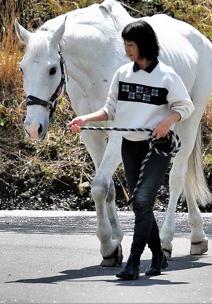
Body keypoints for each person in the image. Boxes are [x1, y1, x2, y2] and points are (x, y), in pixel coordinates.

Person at [67, 19, 195, 280]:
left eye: (131, 45)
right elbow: (110, 110)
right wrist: (85, 119)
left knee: (143, 201)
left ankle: (135, 262)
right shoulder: (123, 74)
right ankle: (158, 256)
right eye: (125, 45)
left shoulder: (167, 76)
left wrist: (167, 122)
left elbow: (185, 107)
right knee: (141, 205)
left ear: (144, 45)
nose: (127, 50)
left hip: (156, 148)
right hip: (130, 147)